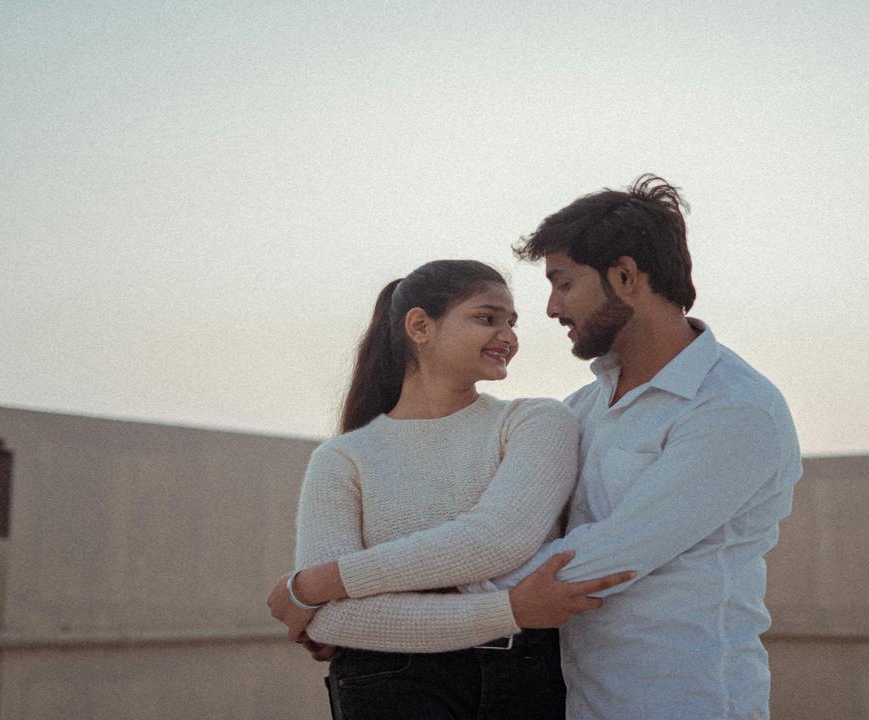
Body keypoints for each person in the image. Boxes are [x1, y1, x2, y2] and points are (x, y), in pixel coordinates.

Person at [484, 175, 804, 719]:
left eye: (563, 284)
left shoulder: (734, 408)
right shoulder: (582, 408)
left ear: (626, 276)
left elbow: (608, 556)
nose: (551, 308)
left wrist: (423, 606)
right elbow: (513, 527)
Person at [266, 259, 633, 720]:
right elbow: (332, 620)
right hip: (383, 688)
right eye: (487, 318)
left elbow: (496, 541)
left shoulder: (534, 421)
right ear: (419, 325)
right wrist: (510, 611)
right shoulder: (342, 458)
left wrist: (319, 582)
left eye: (512, 323)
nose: (509, 337)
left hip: (518, 683)